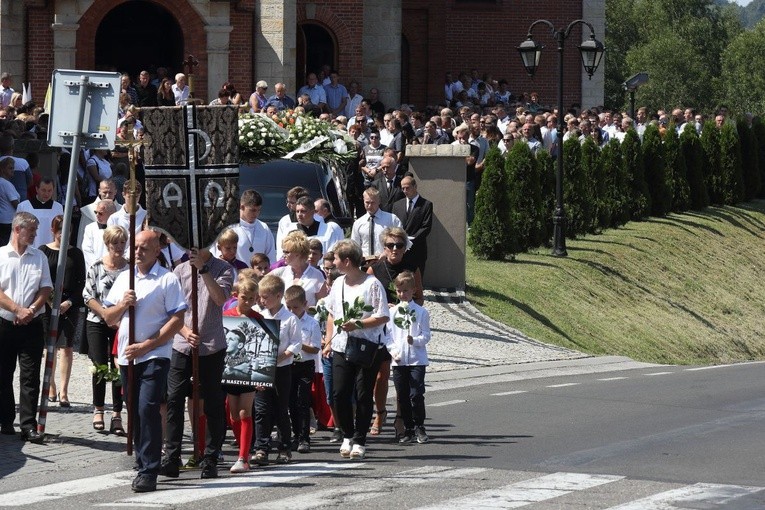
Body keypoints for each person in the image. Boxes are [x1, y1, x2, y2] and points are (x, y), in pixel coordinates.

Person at [102, 230, 187, 493]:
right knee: (135, 411)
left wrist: (148, 345)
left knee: (148, 407)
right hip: (129, 357)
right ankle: (142, 462)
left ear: (157, 250)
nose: (138, 251)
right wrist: (123, 304)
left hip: (154, 355)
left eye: (144, 247)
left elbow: (177, 319)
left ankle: (149, 470)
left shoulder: (167, 279)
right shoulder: (125, 278)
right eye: (135, 246)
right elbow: (108, 317)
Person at [161, 247, 233, 480]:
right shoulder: (179, 270)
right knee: (174, 398)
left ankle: (210, 457)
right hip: (182, 344)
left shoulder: (223, 269)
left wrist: (203, 270)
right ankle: (172, 456)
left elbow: (220, 299)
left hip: (211, 344)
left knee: (212, 401)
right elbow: (171, 310)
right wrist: (182, 330)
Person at [322, 240, 390, 460]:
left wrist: (358, 324)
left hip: (366, 346)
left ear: (347, 261)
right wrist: (329, 340)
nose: (333, 263)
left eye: (336, 260)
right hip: (342, 345)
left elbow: (382, 315)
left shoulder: (372, 284)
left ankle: (360, 439)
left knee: (362, 393)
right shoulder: (339, 283)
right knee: (339, 393)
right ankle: (347, 435)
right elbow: (332, 312)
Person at [0, 212, 52, 443]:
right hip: (4, 323)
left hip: (32, 323)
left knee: (30, 376)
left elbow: (46, 288)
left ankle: (28, 425)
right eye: (31, 230)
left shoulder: (38, 256)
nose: (34, 235)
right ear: (17, 229)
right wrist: (16, 309)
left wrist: (29, 310)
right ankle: (5, 420)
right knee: (3, 374)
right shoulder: (1, 256)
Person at [251, 275, 302, 466]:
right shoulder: (258, 314)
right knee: (261, 409)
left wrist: (282, 356)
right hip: (262, 368)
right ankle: (261, 448)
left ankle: (284, 447)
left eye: (266, 297)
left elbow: (296, 343)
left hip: (281, 368)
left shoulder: (289, 319)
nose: (262, 301)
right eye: (261, 297)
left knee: (281, 408)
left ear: (278, 295)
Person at [82, 225, 128, 433]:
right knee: (100, 366)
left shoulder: (130, 269)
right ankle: (98, 409)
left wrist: (117, 318)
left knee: (119, 368)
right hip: (97, 321)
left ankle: (117, 414)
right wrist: (105, 314)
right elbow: (87, 295)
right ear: (107, 244)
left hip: (121, 323)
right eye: (114, 243)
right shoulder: (96, 266)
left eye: (122, 242)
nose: (118, 247)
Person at [40, 215, 86, 407]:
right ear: (53, 231)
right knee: (47, 347)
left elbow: (81, 282)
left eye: (67, 232)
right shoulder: (43, 252)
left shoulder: (76, 254)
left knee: (66, 348)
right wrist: (50, 301)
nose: (64, 235)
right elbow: (40, 279)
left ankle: (64, 391)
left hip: (69, 304)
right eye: (60, 232)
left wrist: (69, 302)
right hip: (47, 303)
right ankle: (50, 386)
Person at [223, 276, 261, 473]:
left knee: (245, 412)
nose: (247, 302)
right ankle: (242, 448)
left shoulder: (258, 318)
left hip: (249, 372)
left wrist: (262, 376)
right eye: (244, 297)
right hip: (229, 370)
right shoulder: (227, 315)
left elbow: (264, 349)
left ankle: (243, 457)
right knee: (233, 415)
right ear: (236, 296)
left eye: (252, 299)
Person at [388, 271, 431, 444]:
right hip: (399, 360)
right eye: (399, 291)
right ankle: (408, 428)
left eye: (405, 291)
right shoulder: (392, 313)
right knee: (402, 395)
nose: (402, 294)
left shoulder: (421, 312)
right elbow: (388, 336)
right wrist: (393, 351)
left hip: (416, 360)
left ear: (413, 290)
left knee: (416, 393)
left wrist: (415, 340)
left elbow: (426, 335)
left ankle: (420, 426)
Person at [285, 285, 321, 453]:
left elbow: (315, 348)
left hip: (305, 365)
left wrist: (299, 345)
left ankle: (304, 438)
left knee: (303, 401)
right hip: (289, 364)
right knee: (291, 401)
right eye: (289, 307)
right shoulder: (285, 321)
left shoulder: (312, 323)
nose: (292, 311)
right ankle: (296, 434)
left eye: (296, 307)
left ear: (305, 304)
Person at [211, 189, 276, 264]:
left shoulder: (264, 228)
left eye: (259, 210)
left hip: (260, 274)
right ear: (242, 207)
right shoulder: (228, 227)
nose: (256, 214)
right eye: (253, 210)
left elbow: (271, 258)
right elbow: (218, 256)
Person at [391, 176, 433, 278]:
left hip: (417, 250)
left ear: (415, 187)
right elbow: (393, 225)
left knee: (416, 280)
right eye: (403, 188)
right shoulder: (397, 205)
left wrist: (410, 241)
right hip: (400, 250)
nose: (405, 191)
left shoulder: (426, 205)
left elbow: (426, 227)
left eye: (407, 188)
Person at [277, 197, 344, 260]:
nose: (299, 214)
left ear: (313, 212)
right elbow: (283, 254)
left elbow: (331, 254)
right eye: (297, 211)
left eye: (303, 211)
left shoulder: (327, 230)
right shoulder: (289, 231)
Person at [271, 231, 326, 306]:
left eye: (287, 252)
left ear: (298, 254)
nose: (283, 255)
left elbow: (323, 307)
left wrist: (306, 311)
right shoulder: (278, 273)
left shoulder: (317, 276)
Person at [351, 187, 403, 259]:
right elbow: (354, 246)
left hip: (385, 262)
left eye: (372, 203)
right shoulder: (358, 223)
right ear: (363, 201)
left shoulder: (391, 219)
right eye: (367, 202)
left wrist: (386, 253)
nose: (369, 206)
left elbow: (402, 241)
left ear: (379, 201)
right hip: (365, 264)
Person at [16, 178, 63, 248]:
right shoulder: (24, 206)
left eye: (50, 191)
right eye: (43, 190)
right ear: (37, 189)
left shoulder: (58, 207)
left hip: (51, 249)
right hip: (29, 248)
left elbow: (61, 230)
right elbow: (17, 230)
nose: (46, 194)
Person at [82, 199, 118, 269]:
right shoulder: (90, 228)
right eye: (96, 212)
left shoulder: (118, 228)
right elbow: (86, 249)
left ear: (111, 214)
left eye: (100, 213)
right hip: (95, 268)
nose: (97, 215)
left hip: (114, 267)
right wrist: (99, 264)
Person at [0, 157, 20, 246]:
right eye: (10, 168)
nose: (13, 170)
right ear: (2, 169)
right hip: (8, 221)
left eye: (13, 168)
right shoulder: (6, 184)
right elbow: (15, 202)